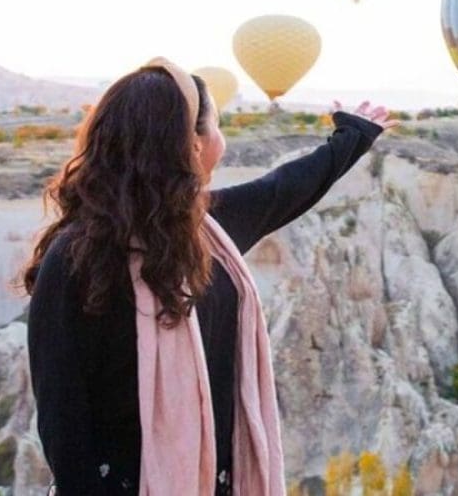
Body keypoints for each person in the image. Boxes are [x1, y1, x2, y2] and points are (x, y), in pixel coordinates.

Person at [23, 58, 398, 495]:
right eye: (216, 126)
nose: (223, 140)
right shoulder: (75, 255)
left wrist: (352, 137)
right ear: (191, 144)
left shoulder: (207, 231)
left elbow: (286, 189)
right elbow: (62, 413)